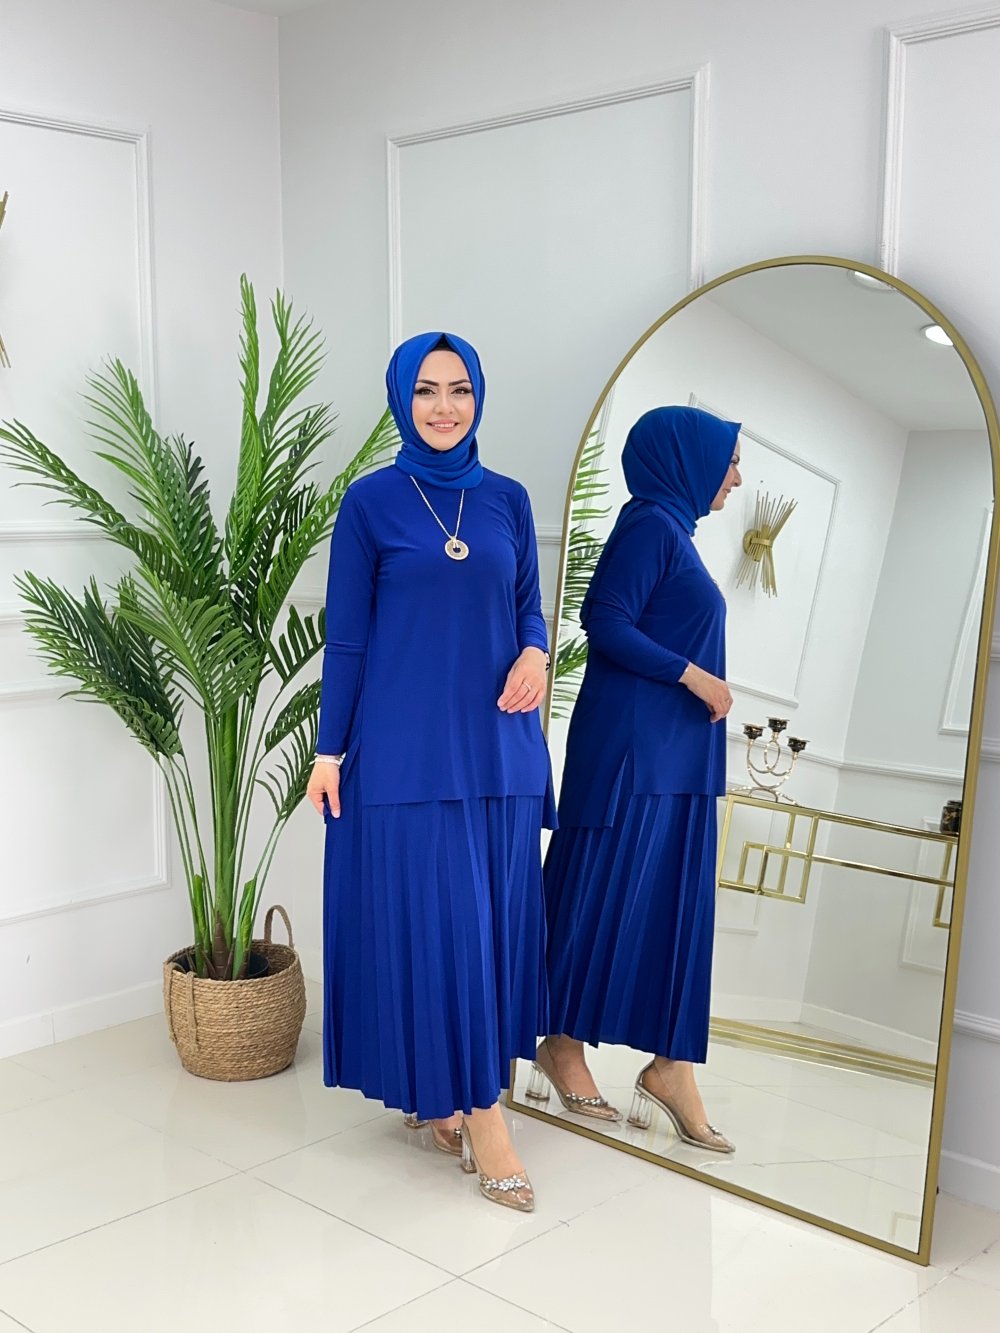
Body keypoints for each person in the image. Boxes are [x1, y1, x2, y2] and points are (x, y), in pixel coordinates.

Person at [307, 331, 554, 1212]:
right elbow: (348, 639)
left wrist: (536, 651)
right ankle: (486, 1117)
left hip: (499, 750)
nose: (444, 407)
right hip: (407, 755)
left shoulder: (508, 500)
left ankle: (453, 1093)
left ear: (478, 397)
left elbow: (529, 606)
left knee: (488, 933)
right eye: (425, 391)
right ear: (400, 401)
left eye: (458, 390)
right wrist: (329, 750)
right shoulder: (370, 502)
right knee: (445, 927)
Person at [530, 405, 742, 1152]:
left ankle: (671, 1065)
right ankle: (562, 1044)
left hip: (675, 760)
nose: (736, 477)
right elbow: (606, 620)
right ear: (688, 459)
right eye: (730, 461)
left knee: (670, 912)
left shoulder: (673, 534)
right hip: (636, 758)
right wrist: (695, 676)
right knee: (603, 896)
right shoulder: (651, 525)